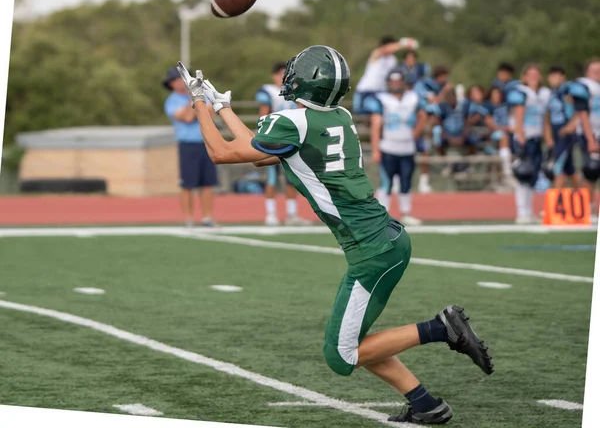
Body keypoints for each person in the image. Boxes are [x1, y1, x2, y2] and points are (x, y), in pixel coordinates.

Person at [175, 46, 493, 425]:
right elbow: (258, 152)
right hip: (383, 240)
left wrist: (199, 103)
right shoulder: (337, 117)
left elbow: (221, 153)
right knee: (355, 344)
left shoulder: (294, 124)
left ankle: (441, 328)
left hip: (371, 250)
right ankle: (426, 405)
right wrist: (222, 106)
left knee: (342, 354)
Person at [366, 69, 427, 225]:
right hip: (388, 148)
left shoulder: (412, 98)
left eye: (398, 81)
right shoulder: (382, 99)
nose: (395, 84)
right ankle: (381, 215)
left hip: (407, 148)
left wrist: (416, 133)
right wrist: (375, 149)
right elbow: (375, 125)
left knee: (406, 182)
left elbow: (423, 115)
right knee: (386, 183)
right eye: (392, 81)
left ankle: (405, 213)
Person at [256, 62, 309, 226]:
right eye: (279, 74)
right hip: (273, 139)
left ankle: (291, 214)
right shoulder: (268, 92)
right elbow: (263, 116)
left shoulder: (295, 90)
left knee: (292, 178)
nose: (282, 77)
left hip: (290, 139)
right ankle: (270, 213)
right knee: (272, 178)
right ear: (274, 75)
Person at [163, 66, 217, 228]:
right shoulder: (172, 101)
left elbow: (210, 114)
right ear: (171, 84)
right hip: (188, 144)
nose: (180, 83)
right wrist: (192, 99)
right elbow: (187, 117)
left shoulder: (202, 96)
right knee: (188, 184)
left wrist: (196, 104)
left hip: (206, 142)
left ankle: (207, 217)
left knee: (208, 183)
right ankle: (188, 218)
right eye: (176, 80)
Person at [506, 64, 552, 224]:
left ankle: (528, 210)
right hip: (525, 135)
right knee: (523, 173)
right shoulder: (521, 92)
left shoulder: (545, 93)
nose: (534, 77)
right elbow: (519, 114)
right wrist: (520, 134)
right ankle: (521, 211)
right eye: (530, 74)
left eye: (536, 74)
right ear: (524, 77)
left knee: (533, 175)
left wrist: (549, 140)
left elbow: (545, 119)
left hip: (537, 136)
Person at [413, 66, 453, 193]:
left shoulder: (436, 87)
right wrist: (444, 92)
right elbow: (433, 101)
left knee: (426, 151)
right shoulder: (423, 86)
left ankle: (424, 182)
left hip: (429, 126)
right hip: (418, 123)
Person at [545, 66, 586, 189]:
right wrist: (548, 136)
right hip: (556, 131)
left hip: (566, 132)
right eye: (551, 76)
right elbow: (547, 116)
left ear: (562, 77)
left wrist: (572, 125)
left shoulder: (567, 90)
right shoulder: (552, 93)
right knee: (570, 170)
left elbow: (580, 109)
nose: (553, 79)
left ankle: (555, 203)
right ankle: (581, 200)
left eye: (556, 76)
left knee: (558, 166)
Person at [353, 36, 405, 114]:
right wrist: (404, 43)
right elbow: (385, 49)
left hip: (381, 92)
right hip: (365, 90)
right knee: (359, 114)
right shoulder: (376, 54)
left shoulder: (393, 60)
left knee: (378, 113)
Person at [575, 58, 600, 221]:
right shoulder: (585, 87)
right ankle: (587, 208)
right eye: (594, 70)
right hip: (590, 135)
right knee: (590, 171)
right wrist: (591, 139)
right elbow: (582, 114)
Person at [483, 86, 514, 184]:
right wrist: (507, 128)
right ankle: (507, 173)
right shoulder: (488, 107)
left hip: (510, 133)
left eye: (499, 94)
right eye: (495, 94)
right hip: (493, 135)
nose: (497, 96)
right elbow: (491, 125)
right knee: (503, 136)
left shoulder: (506, 106)